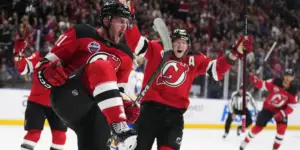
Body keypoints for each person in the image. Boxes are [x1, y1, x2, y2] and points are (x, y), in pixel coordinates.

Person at [36, 1, 143, 150]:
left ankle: (117, 123)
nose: (124, 26)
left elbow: (117, 91)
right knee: (101, 64)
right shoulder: (81, 32)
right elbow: (43, 65)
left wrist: (125, 105)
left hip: (96, 109)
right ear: (106, 20)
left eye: (126, 22)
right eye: (120, 21)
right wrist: (46, 73)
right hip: (68, 96)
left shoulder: (126, 54)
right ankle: (119, 124)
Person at [133, 27, 253, 150]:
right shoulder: (157, 48)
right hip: (149, 112)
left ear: (188, 46)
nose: (180, 45)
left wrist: (234, 54)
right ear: (171, 43)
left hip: (174, 117)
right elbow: (135, 42)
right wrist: (128, 17)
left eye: (184, 42)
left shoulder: (195, 58)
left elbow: (217, 70)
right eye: (177, 42)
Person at [13, 38, 67, 150]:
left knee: (60, 137)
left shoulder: (69, 59)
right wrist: (18, 52)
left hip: (58, 104)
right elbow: (23, 69)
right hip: (36, 103)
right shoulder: (40, 56)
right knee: (33, 134)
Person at [240, 69, 298, 150]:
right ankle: (245, 141)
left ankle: (275, 148)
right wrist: (256, 81)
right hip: (268, 108)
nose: (287, 78)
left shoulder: (294, 91)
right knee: (258, 127)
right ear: (283, 76)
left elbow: (292, 106)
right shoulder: (275, 81)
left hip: (281, 110)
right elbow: (263, 84)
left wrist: (282, 113)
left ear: (293, 78)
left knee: (282, 129)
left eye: (290, 77)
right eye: (286, 76)